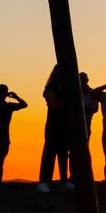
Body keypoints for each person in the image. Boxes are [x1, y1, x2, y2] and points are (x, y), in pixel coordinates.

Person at [38, 64, 72, 192]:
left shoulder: (68, 88)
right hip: (53, 124)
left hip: (65, 124)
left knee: (63, 153)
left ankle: (64, 180)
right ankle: (44, 181)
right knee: (50, 152)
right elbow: (54, 106)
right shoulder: (50, 88)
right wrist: (69, 102)